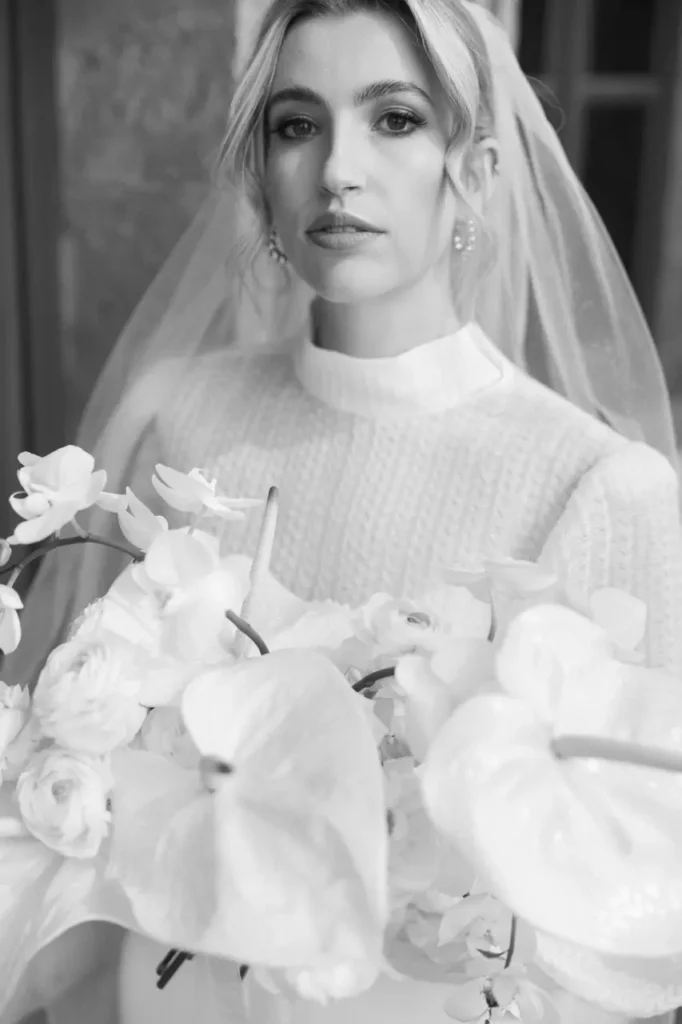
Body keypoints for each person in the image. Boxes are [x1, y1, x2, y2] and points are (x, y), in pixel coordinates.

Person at [4, 1, 682, 1023]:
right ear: (257, 174)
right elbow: (59, 788)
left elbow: (628, 899)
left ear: (480, 173)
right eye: (296, 124)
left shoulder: (594, 485)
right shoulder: (175, 415)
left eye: (395, 118)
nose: (336, 169)